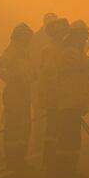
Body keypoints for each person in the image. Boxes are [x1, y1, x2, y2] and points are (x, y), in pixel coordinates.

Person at [0, 23, 37, 170]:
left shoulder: (25, 53)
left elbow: (30, 72)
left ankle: (20, 158)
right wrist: (10, 78)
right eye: (24, 36)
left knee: (25, 125)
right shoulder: (11, 52)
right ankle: (11, 159)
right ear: (18, 37)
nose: (27, 39)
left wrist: (33, 76)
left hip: (24, 93)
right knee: (13, 126)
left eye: (28, 36)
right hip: (13, 93)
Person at [54, 20, 89, 178]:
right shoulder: (70, 53)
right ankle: (64, 171)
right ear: (75, 36)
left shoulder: (75, 52)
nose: (84, 39)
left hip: (73, 102)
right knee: (68, 138)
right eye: (83, 36)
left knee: (72, 138)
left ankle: (68, 170)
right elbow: (88, 64)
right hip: (68, 102)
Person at [38, 18, 69, 170]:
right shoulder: (50, 49)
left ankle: (52, 159)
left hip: (60, 94)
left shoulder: (61, 47)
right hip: (54, 95)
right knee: (53, 128)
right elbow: (50, 74)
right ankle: (49, 160)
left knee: (57, 127)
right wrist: (60, 91)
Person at [29, 13, 58, 153]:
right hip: (39, 85)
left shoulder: (57, 41)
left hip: (52, 86)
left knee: (50, 119)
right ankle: (38, 148)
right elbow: (33, 62)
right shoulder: (36, 40)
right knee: (40, 117)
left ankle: (47, 149)